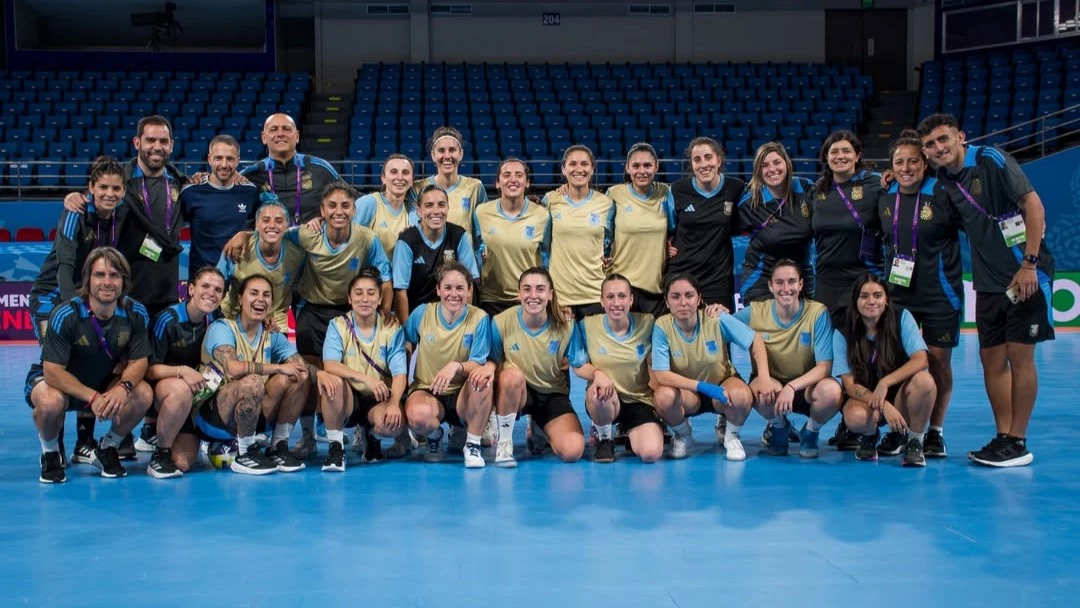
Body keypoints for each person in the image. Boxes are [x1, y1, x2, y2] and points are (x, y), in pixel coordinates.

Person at [919, 113, 1054, 467]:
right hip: (989, 284)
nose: (938, 148)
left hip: (1024, 275)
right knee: (990, 360)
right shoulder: (943, 183)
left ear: (960, 137)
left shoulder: (991, 159)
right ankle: (1003, 436)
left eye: (943, 139)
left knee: (1020, 357)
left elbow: (1033, 205)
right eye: (930, 144)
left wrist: (1029, 264)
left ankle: (1019, 440)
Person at [30, 156, 129, 463]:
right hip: (52, 299)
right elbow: (64, 267)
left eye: (115, 188)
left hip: (85, 299)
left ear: (123, 191)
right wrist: (73, 308)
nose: (109, 194)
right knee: (60, 363)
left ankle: (84, 443)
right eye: (103, 188)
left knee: (93, 361)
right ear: (91, 188)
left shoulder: (119, 215)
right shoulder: (74, 213)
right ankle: (55, 445)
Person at [26, 247, 154, 483]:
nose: (107, 282)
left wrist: (122, 388)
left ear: (124, 281)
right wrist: (93, 397)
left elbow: (139, 361)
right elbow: (52, 372)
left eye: (114, 275)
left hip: (103, 381)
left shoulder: (135, 312)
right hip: (62, 382)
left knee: (143, 393)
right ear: (87, 279)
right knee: (50, 402)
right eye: (100, 275)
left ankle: (107, 447)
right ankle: (51, 452)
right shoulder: (66, 313)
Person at [876, 130, 963, 459]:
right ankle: (901, 431)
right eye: (899, 162)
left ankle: (934, 433)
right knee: (898, 364)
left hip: (941, 295)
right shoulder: (885, 195)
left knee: (938, 365)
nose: (906, 167)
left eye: (913, 160)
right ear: (891, 166)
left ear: (925, 163)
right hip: (898, 295)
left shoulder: (944, 192)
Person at [811, 131, 884, 452]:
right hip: (827, 283)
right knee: (836, 355)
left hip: (862, 282)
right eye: (833, 152)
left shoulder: (875, 185)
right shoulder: (817, 191)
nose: (839, 156)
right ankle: (845, 418)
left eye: (845, 151)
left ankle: (867, 420)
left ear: (857, 155)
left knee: (863, 352)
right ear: (826, 158)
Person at [198, 274, 315, 474]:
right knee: (251, 382)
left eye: (266, 295)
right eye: (254, 293)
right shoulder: (222, 328)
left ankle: (278, 446)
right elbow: (233, 369)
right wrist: (278, 367)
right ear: (240, 299)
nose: (260, 299)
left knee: (300, 374)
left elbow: (302, 366)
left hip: (252, 415)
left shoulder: (271, 335)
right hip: (213, 416)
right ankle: (245, 454)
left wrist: (333, 377)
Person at [733, 260, 843, 458]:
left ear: (801, 284)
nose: (786, 288)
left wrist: (792, 387)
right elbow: (721, 326)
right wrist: (717, 312)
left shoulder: (817, 313)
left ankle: (810, 432)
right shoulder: (754, 312)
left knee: (832, 392)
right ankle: (779, 427)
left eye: (792, 282)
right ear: (770, 286)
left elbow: (824, 367)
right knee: (759, 389)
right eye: (779, 282)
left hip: (806, 386)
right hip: (772, 385)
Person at [652, 274, 763, 460]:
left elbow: (754, 340)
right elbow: (662, 375)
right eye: (676, 296)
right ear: (667, 301)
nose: (683, 302)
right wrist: (703, 387)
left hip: (722, 388)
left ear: (699, 299)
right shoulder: (662, 327)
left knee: (742, 396)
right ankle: (683, 435)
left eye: (689, 295)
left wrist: (762, 377)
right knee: (663, 397)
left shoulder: (716, 319)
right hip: (688, 393)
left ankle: (731, 435)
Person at [834, 275, 936, 467]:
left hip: (899, 396)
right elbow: (850, 384)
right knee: (855, 418)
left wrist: (885, 383)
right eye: (864, 296)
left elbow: (921, 359)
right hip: (865, 400)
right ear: (855, 301)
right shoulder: (843, 331)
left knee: (925, 382)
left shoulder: (902, 317)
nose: (871, 301)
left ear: (886, 300)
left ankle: (915, 440)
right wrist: (884, 406)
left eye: (877, 295)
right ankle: (870, 436)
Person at [402, 262, 495, 468]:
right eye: (448, 288)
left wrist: (456, 366)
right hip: (427, 388)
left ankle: (472, 444)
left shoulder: (479, 318)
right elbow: (405, 343)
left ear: (469, 291)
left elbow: (479, 361)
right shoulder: (422, 313)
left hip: (462, 393)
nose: (454, 294)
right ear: (438, 290)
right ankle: (434, 436)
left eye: (460, 288)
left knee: (484, 381)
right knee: (418, 416)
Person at [489, 267, 583, 468]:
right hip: (519, 392)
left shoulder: (566, 324)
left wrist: (599, 376)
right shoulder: (501, 322)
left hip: (551, 394)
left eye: (540, 289)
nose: (533, 295)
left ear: (550, 294)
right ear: (519, 293)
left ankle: (541, 427)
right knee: (510, 377)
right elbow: (493, 365)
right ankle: (505, 443)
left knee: (573, 450)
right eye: (527, 289)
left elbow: (580, 364)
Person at [320, 268, 409, 471]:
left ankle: (372, 435)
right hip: (349, 397)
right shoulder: (338, 325)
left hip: (379, 398)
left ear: (379, 300)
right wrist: (365, 379)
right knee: (330, 380)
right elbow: (330, 364)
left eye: (371, 293)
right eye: (358, 293)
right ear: (349, 299)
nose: (365, 299)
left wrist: (394, 403)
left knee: (391, 425)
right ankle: (336, 448)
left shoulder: (391, 328)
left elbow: (400, 374)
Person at [569, 274, 663, 463]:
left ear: (631, 299)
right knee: (600, 393)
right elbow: (578, 365)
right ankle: (604, 438)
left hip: (639, 400)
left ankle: (631, 430)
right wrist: (597, 374)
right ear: (602, 301)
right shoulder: (587, 325)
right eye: (610, 297)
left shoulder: (649, 323)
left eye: (621, 296)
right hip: (604, 399)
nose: (616, 303)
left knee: (651, 453)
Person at [143, 267, 226, 478]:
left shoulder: (216, 318)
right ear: (191, 289)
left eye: (217, 289)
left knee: (183, 463)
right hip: (165, 389)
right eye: (205, 286)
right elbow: (149, 370)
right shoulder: (167, 320)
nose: (211, 293)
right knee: (181, 390)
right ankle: (159, 454)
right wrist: (182, 371)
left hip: (195, 396)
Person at [667, 137, 746, 310]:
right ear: (691, 164)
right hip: (681, 274)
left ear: (719, 160)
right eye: (697, 160)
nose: (703, 164)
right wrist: (663, 244)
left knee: (717, 332)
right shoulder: (677, 190)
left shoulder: (736, 188)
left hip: (718, 279)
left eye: (708, 157)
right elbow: (664, 228)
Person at [737, 142, 815, 304]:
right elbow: (718, 228)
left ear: (787, 163)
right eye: (765, 165)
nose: (772, 169)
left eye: (777, 162)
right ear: (759, 171)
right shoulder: (749, 203)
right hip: (761, 279)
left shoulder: (805, 188)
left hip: (802, 278)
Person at [473, 158, 551, 316]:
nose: (513, 179)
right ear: (497, 182)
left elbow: (548, 256)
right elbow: (475, 249)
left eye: (519, 175)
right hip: (491, 300)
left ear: (527, 182)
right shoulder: (481, 213)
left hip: (528, 299)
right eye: (507, 175)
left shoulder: (542, 215)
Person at [392, 184, 480, 324]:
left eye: (441, 205)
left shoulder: (458, 235)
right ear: (419, 210)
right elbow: (400, 292)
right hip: (418, 320)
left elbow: (469, 283)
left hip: (452, 317)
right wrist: (408, 334)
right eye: (429, 205)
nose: (436, 211)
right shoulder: (406, 242)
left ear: (448, 208)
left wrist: (462, 325)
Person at [545, 145, 615, 319]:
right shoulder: (551, 200)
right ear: (564, 169)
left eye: (584, 164)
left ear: (592, 168)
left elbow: (612, 241)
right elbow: (543, 246)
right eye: (572, 164)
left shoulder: (606, 203)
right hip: (561, 297)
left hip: (595, 293)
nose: (578, 169)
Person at [607, 143, 675, 316]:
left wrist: (669, 243)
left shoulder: (666, 193)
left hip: (655, 288)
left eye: (647, 165)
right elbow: (603, 234)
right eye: (636, 166)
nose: (642, 171)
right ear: (627, 168)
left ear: (656, 167)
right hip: (622, 287)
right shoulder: (614, 194)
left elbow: (675, 229)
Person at [218, 198, 306, 331]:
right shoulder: (237, 248)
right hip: (234, 317)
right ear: (257, 225)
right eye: (266, 220)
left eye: (279, 221)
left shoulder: (297, 252)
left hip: (274, 323)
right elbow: (216, 282)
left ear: (287, 226)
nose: (272, 225)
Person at [239, 113, 343, 225]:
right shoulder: (250, 175)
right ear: (264, 137)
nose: (280, 134)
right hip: (270, 240)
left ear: (297, 136)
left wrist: (325, 220)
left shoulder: (321, 168)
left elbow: (354, 199)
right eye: (273, 129)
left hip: (310, 240)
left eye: (286, 129)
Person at [180, 134, 260, 274]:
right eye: (218, 158)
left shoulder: (250, 192)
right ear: (209, 159)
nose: (224, 165)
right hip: (202, 279)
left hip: (238, 276)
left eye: (230, 159)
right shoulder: (190, 192)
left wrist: (247, 234)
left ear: (238, 161)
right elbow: (171, 227)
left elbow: (261, 229)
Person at [412, 126, 488, 235]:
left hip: (463, 252)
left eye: (452, 150)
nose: (447, 156)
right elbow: (415, 230)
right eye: (441, 150)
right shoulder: (418, 188)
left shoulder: (474, 187)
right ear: (433, 155)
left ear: (460, 154)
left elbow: (482, 230)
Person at [354, 153, 418, 257]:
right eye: (394, 172)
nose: (400, 177)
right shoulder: (368, 203)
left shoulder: (412, 211)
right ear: (383, 178)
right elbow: (347, 241)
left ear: (412, 180)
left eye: (405, 173)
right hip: (370, 272)